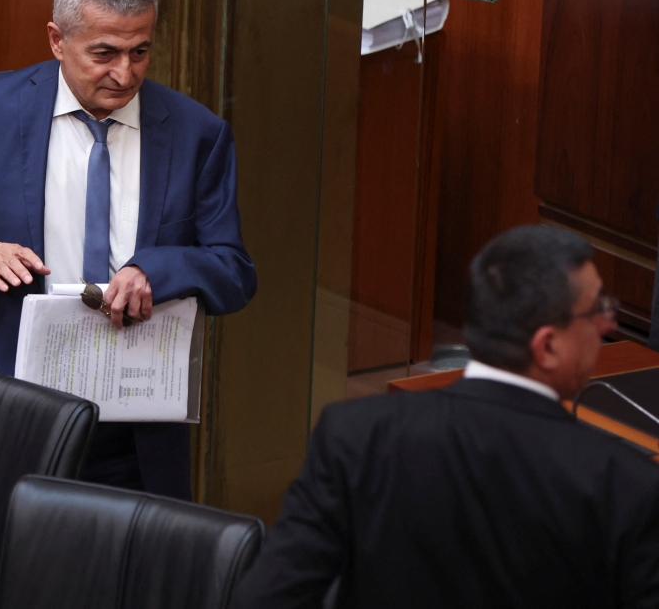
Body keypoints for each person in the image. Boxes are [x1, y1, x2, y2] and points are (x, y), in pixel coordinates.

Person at [0, 0, 256, 501]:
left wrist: (156, 269)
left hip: (132, 424)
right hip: (1, 397)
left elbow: (233, 271)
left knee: (119, 578)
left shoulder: (197, 133)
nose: (124, 74)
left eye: (139, 51)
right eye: (104, 54)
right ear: (57, 39)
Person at [232, 225, 659, 608]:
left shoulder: (355, 437)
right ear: (547, 346)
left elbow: (269, 596)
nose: (607, 324)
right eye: (597, 309)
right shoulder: (624, 486)